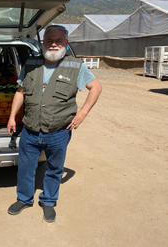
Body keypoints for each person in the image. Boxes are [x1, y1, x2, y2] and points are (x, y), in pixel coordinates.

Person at [7, 25, 102, 222]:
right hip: (30, 130)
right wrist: (11, 117)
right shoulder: (31, 63)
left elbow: (96, 87)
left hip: (58, 131)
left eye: (58, 40)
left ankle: (48, 200)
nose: (53, 44)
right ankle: (24, 199)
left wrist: (83, 113)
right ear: (43, 43)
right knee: (25, 167)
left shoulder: (75, 66)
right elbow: (20, 92)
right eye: (49, 40)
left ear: (66, 44)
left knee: (54, 168)